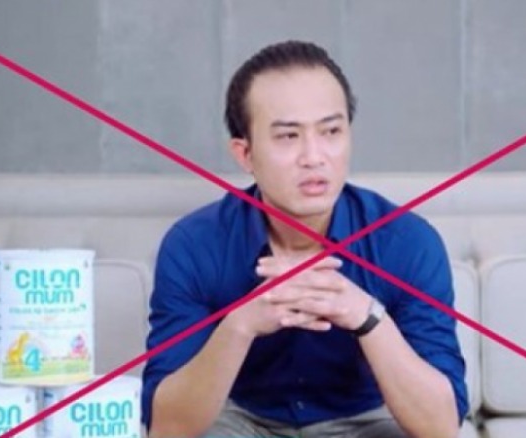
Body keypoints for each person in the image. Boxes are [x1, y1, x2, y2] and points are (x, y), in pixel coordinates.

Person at [142, 40, 468, 438]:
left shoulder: (407, 241)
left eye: (331, 131)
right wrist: (239, 325)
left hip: (366, 421)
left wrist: (367, 316)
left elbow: (442, 428)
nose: (314, 157)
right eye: (288, 136)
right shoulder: (194, 245)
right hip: (241, 420)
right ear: (245, 154)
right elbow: (166, 428)